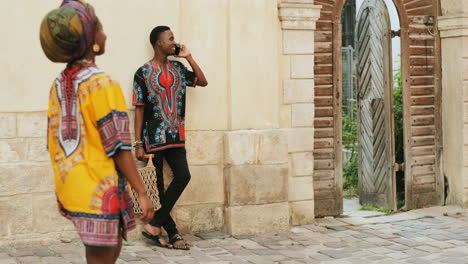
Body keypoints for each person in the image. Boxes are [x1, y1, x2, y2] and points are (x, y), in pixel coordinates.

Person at [40, 1, 154, 263]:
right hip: (99, 187)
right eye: (100, 28)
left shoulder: (58, 83)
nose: (105, 34)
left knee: (106, 252)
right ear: (89, 39)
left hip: (73, 186)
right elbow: (119, 146)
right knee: (103, 257)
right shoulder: (102, 83)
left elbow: (53, 142)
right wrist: (142, 192)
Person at [132, 26, 208, 250]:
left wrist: (189, 57)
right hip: (152, 138)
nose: (175, 42)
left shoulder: (179, 67)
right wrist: (138, 144)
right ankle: (172, 233)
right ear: (158, 43)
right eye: (170, 39)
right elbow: (138, 109)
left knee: (183, 176)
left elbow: (202, 81)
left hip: (176, 135)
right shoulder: (143, 72)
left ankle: (155, 225)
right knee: (158, 190)